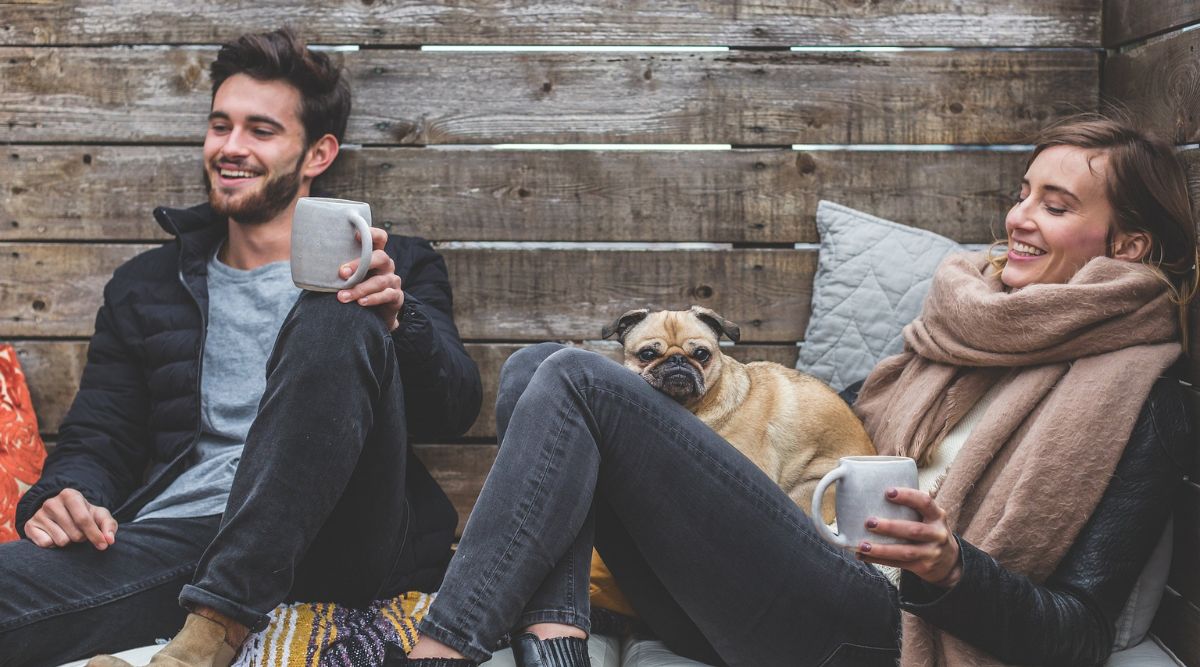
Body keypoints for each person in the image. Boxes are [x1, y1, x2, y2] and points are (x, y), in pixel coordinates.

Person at [397, 117, 1197, 667]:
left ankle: (445, 645)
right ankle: (558, 634)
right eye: (1023, 191)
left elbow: (1085, 632)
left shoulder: (1137, 392)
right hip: (790, 578)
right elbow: (847, 419)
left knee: (574, 376)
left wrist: (952, 570)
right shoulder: (974, 325)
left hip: (882, 631)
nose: (1019, 217)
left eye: (1054, 205)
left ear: (1128, 244)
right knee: (541, 365)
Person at [0, 28, 481, 667]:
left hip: (338, 537)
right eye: (220, 125)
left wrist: (400, 320)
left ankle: (216, 630)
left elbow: (454, 411)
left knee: (339, 307)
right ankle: (213, 608)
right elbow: (100, 440)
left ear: (317, 154)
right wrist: (61, 498)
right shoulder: (145, 287)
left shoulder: (398, 265)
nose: (230, 147)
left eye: (260, 130)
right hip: (179, 540)